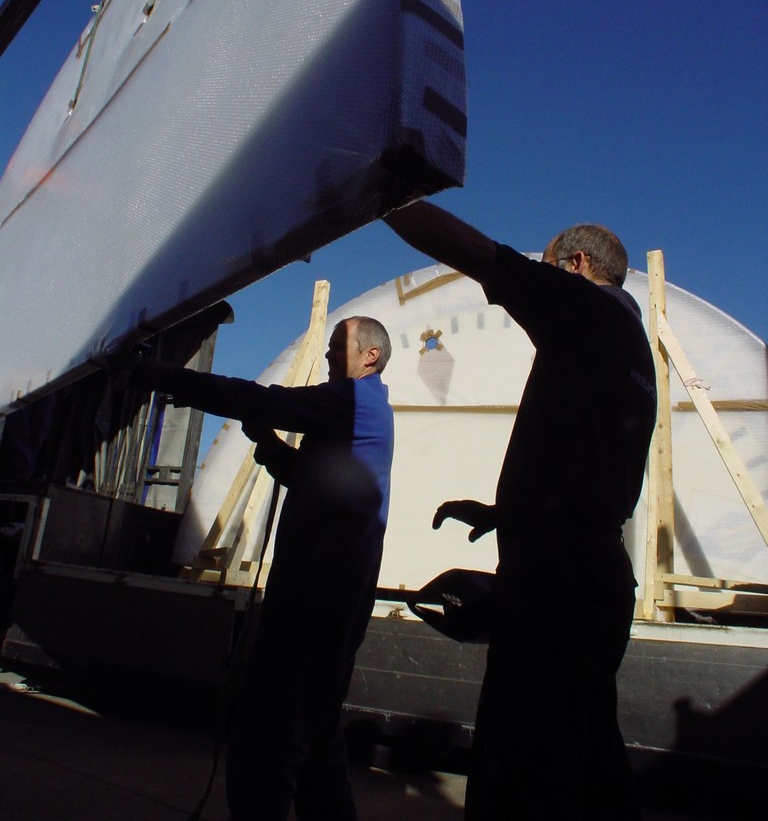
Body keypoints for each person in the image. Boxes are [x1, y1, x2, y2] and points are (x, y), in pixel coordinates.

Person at [385, 201, 657, 820]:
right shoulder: (630, 345)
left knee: (520, 769)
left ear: (578, 264)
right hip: (594, 576)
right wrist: (505, 512)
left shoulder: (588, 313)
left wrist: (385, 196)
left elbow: (482, 257)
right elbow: (589, 472)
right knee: (586, 760)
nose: (545, 279)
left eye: (550, 268)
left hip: (557, 586)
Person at [119, 316, 394, 821]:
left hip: (318, 596)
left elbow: (265, 399)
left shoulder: (354, 400)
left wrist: (163, 378)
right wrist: (268, 445)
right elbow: (310, 477)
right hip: (334, 595)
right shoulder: (363, 416)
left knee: (273, 732)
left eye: (339, 348)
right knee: (315, 733)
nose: (331, 356)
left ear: (369, 356)